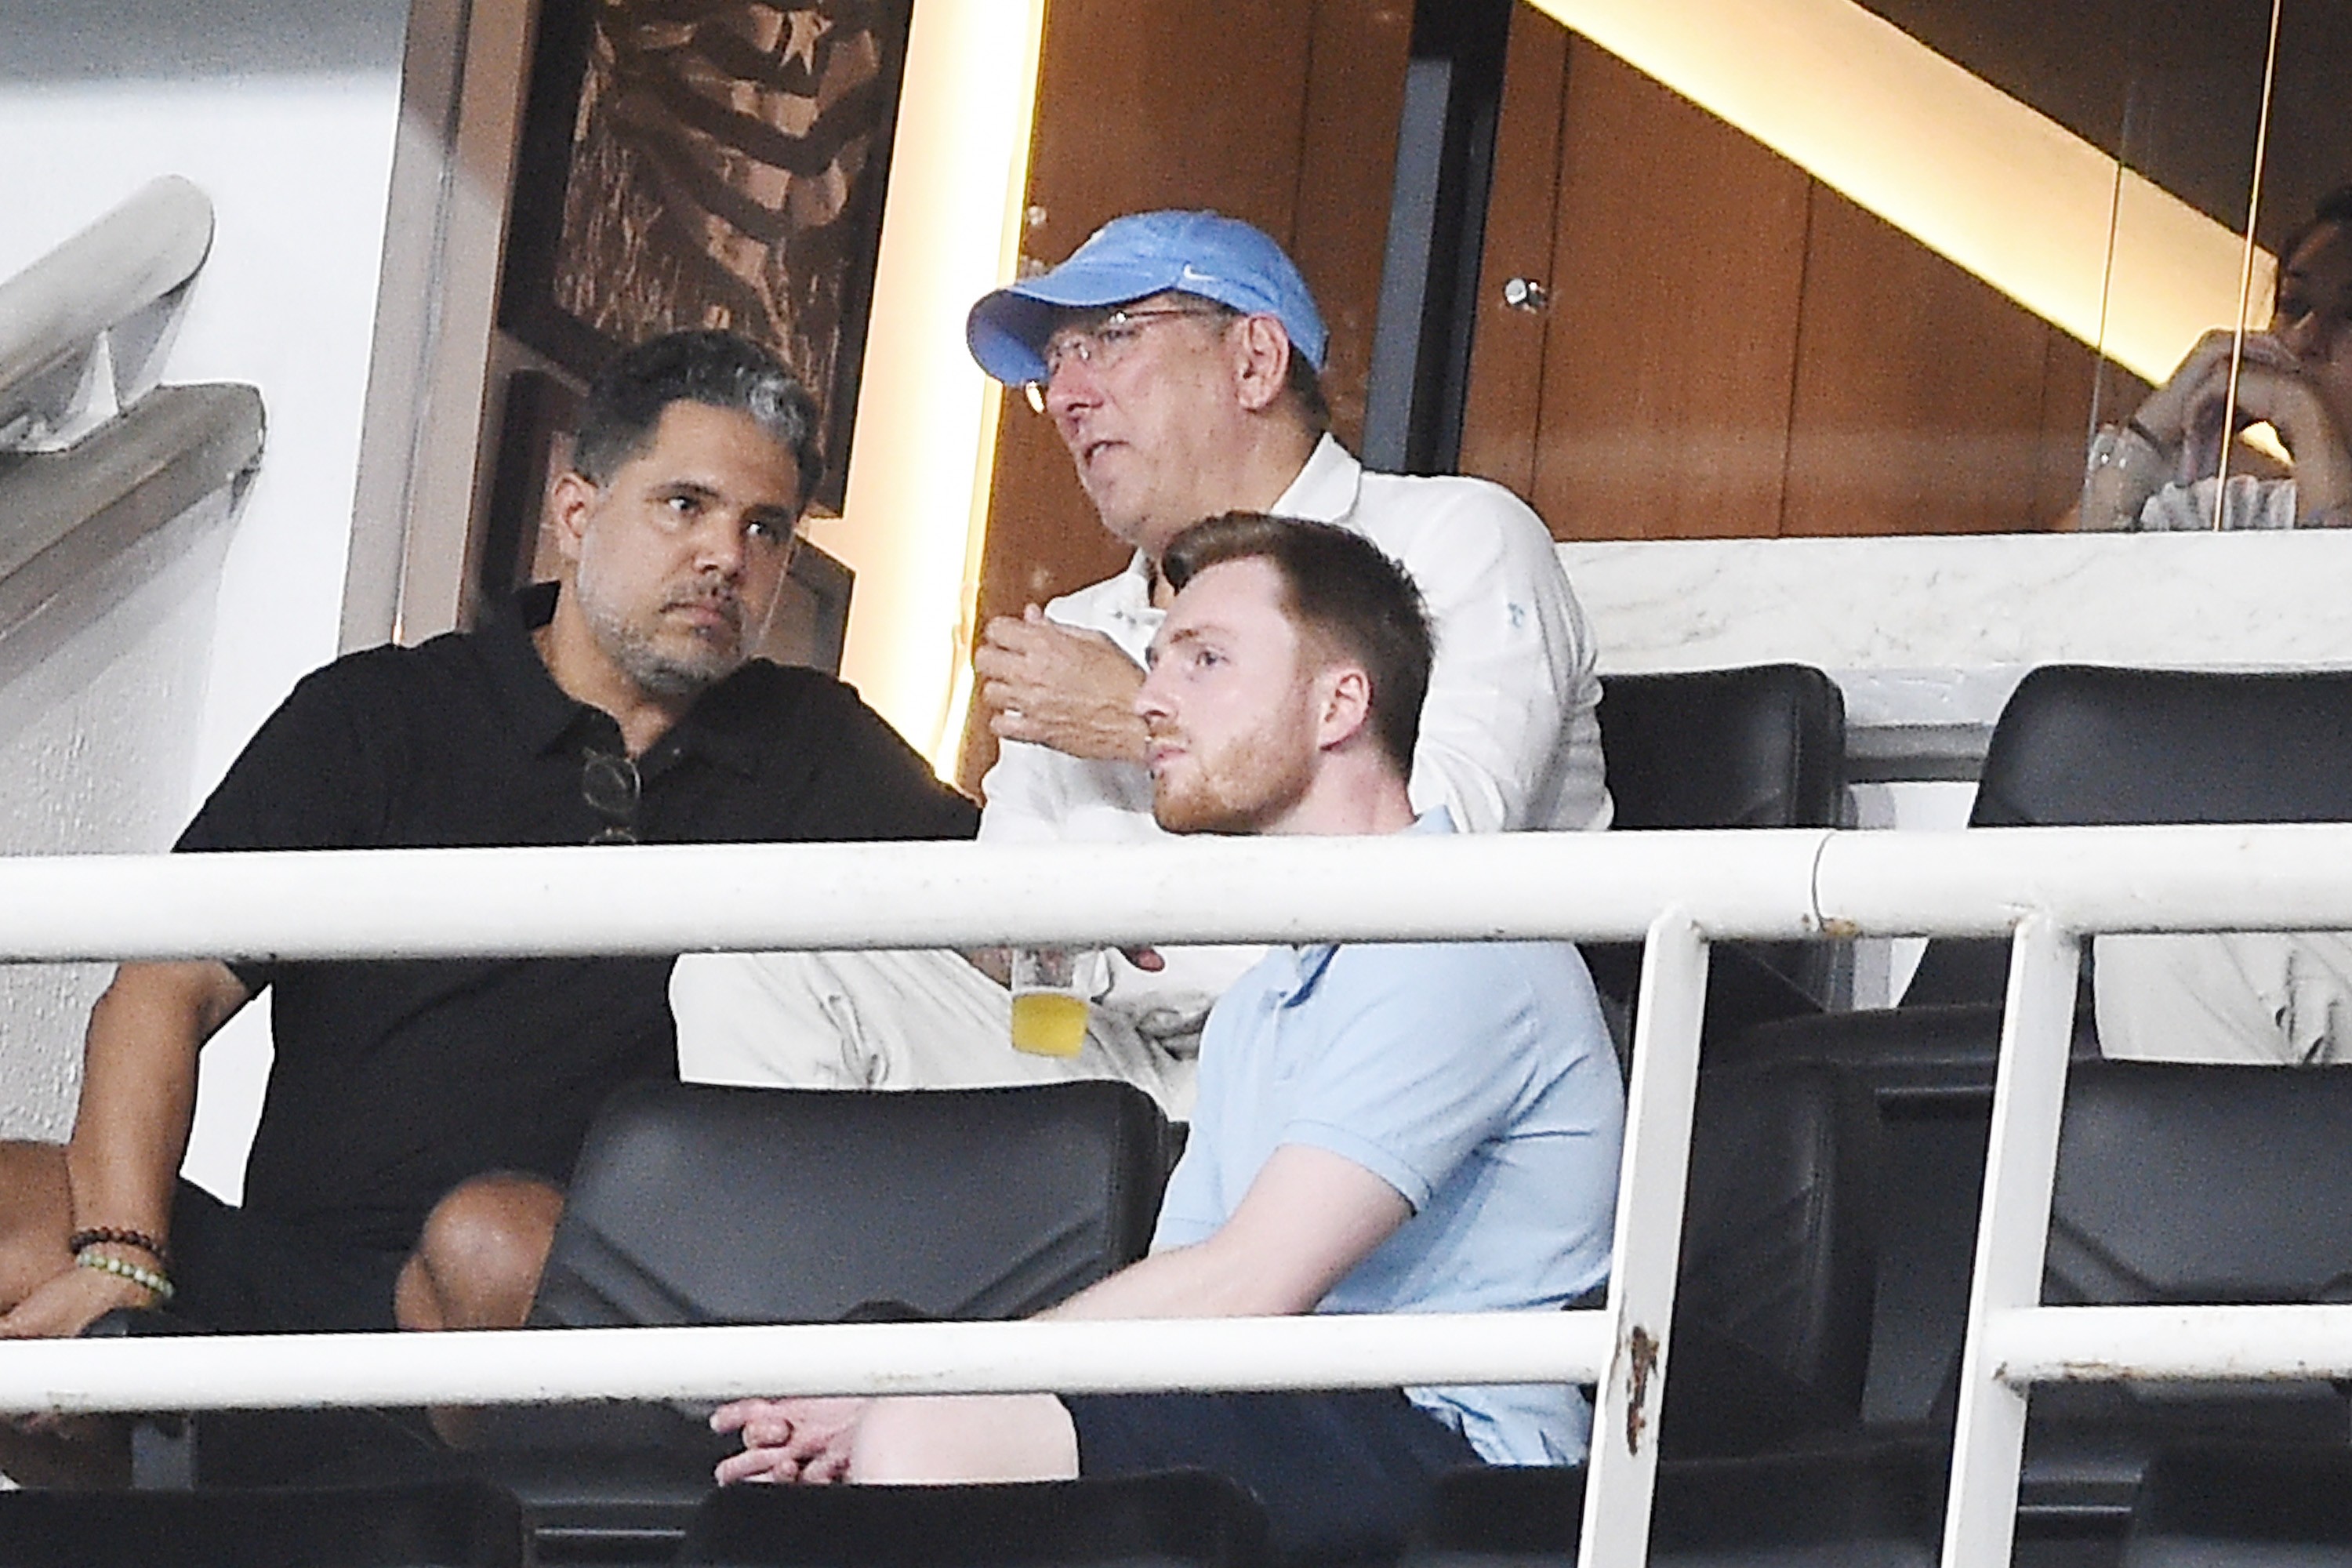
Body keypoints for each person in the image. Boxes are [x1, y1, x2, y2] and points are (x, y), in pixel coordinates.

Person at [0, 331, 977, 1355]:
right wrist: (121, 1258)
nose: (726, 558)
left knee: (493, 1242)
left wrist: (1095, 730)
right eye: (684, 505)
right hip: (295, 1287)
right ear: (576, 513)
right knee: (19, 1206)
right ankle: (156, 1430)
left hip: (560, 1309)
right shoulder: (376, 714)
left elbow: (1022, 931)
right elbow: (165, 987)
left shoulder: (817, 742)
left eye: (764, 529)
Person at [708, 514, 1624, 1563]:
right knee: (822, 1431)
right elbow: (1189, 1296)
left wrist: (934, 1387)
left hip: (1459, 1452)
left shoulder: (1456, 940)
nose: (1151, 698)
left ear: (1339, 704)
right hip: (1289, 1406)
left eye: (1205, 660)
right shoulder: (1267, 997)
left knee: (929, 1429)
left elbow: (1247, 1286)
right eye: (1157, 661)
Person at [671, 209, 1608, 1112]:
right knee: (751, 968)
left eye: (1113, 338)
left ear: (1255, 360)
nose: (1067, 396)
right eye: (1056, 363)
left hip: (1385, 1067)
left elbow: (1434, 879)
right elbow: (1018, 936)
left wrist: (1139, 721)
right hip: (1118, 1063)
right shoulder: (1076, 628)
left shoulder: (1457, 537)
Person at [2079, 187, 2352, 532]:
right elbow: (2069, 563)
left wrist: (2304, 413)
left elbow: (2333, 564)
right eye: (2293, 305)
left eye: (2349, 315)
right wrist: (2151, 437)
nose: (2303, 338)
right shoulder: (2236, 513)